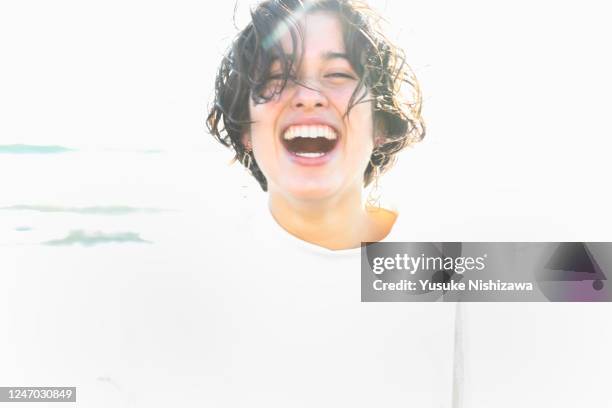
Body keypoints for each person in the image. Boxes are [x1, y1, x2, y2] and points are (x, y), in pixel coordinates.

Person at [207, 0, 424, 250]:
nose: (308, 97)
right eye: (278, 76)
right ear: (246, 127)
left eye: (337, 74)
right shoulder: (202, 271)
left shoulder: (444, 268)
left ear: (381, 124)